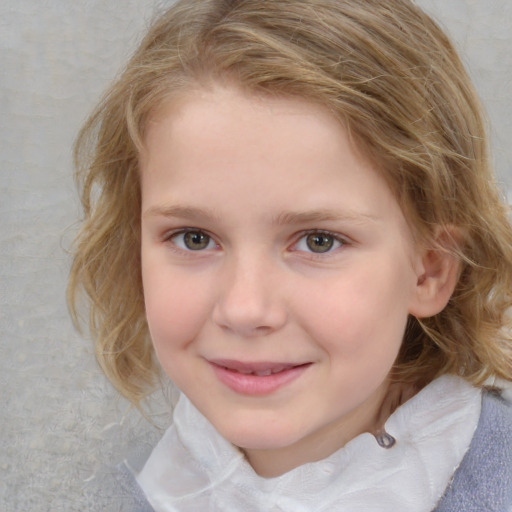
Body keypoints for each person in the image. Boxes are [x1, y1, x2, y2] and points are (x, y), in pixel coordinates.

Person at [67, 0, 512, 510]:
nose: (245, 308)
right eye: (194, 238)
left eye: (318, 241)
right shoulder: (120, 486)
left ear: (430, 269)